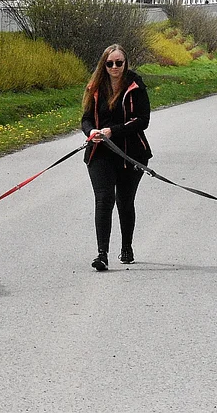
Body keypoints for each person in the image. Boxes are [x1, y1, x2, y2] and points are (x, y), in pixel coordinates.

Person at [80, 44, 153, 271]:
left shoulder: (135, 85)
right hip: (100, 152)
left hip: (131, 153)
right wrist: (91, 132)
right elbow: (85, 119)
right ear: (104, 64)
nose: (114, 67)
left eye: (118, 63)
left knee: (124, 200)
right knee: (104, 200)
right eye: (109, 63)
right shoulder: (95, 87)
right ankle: (102, 254)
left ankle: (127, 246)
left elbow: (143, 120)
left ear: (125, 63)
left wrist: (113, 131)